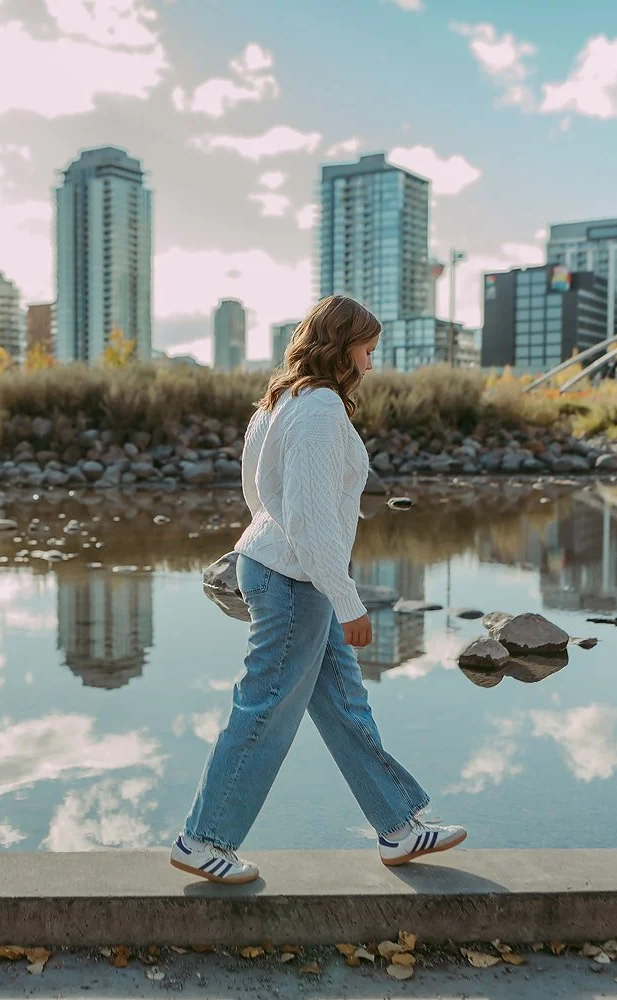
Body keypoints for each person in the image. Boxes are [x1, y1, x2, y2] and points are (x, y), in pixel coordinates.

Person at [170, 295, 466, 884]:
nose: (371, 363)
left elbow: (257, 490)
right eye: (367, 350)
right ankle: (202, 840)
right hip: (294, 579)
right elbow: (309, 518)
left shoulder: (280, 399)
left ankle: (399, 826)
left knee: (343, 703)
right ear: (341, 347)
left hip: (282, 567)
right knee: (264, 708)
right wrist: (347, 600)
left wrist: (276, 542)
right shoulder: (321, 407)